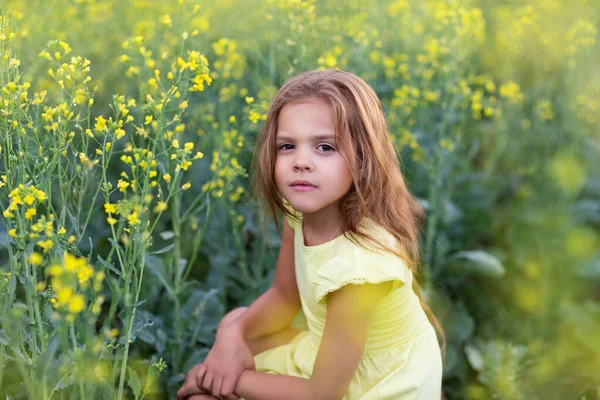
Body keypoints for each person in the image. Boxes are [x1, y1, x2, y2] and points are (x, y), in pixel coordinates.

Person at [177, 69, 445, 400]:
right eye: (287, 146)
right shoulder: (300, 214)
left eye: (325, 147)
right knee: (234, 324)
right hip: (328, 359)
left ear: (361, 159)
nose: (301, 162)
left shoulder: (360, 271)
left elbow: (321, 395)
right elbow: (284, 297)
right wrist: (232, 335)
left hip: (374, 387)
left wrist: (217, 378)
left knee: (207, 392)